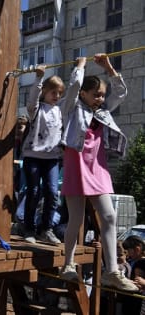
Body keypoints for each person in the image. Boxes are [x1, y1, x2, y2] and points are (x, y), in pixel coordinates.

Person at [59, 54, 138, 292]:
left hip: (98, 168)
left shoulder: (102, 111)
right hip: (77, 166)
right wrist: (80, 66)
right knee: (76, 219)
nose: (100, 98)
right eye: (96, 94)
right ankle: (68, 265)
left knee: (109, 217)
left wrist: (109, 68)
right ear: (84, 94)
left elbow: (121, 93)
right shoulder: (71, 108)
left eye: (102, 94)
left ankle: (111, 271)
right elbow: (72, 87)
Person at [20, 65, 64, 244]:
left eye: (60, 93)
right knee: (34, 191)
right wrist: (38, 78)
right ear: (45, 91)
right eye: (54, 92)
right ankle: (29, 228)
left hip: (52, 158)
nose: (57, 96)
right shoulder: (36, 109)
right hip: (33, 156)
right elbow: (32, 101)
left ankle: (46, 228)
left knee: (53, 192)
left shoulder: (59, 110)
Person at [119, 235, 145, 314]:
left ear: (137, 249)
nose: (127, 255)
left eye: (128, 251)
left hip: (136, 304)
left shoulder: (140, 263)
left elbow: (138, 284)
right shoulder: (135, 261)